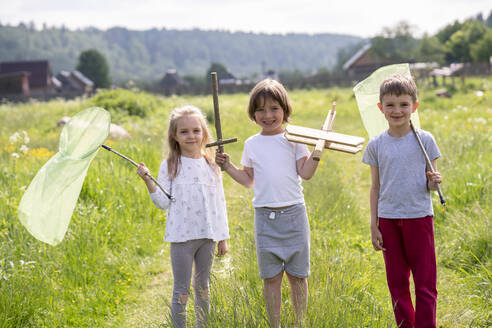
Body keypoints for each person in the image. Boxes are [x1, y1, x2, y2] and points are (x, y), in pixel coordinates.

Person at [215, 79, 320, 327]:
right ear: (253, 114)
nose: (268, 115)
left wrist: (318, 152)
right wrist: (227, 166)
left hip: (294, 214)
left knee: (298, 275)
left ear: (285, 109)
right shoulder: (252, 144)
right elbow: (248, 180)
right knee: (271, 277)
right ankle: (275, 324)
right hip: (265, 218)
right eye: (261, 110)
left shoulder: (294, 138)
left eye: (274, 108)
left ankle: (299, 322)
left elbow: (305, 173)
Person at [137, 105, 229, 328]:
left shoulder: (211, 165)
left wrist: (223, 236)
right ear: (174, 136)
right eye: (184, 132)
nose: (191, 136)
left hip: (207, 237)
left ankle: (202, 325)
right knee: (181, 290)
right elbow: (161, 202)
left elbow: (219, 202)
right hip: (181, 239)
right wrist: (148, 180)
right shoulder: (170, 165)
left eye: (196, 131)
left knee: (203, 287)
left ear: (204, 133)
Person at [362, 74, 442, 328]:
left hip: (419, 217)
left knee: (425, 282)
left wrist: (434, 181)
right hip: (388, 220)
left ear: (414, 107)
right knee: (396, 283)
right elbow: (375, 187)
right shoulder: (376, 145)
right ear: (381, 108)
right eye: (391, 105)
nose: (397, 111)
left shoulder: (425, 140)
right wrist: (374, 224)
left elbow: (431, 184)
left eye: (404, 104)